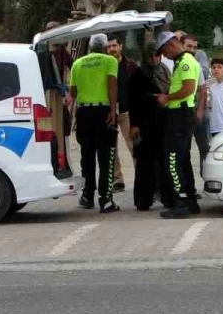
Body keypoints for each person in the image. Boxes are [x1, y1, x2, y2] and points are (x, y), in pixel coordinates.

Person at [68, 33, 120, 213]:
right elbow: (112, 85)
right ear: (106, 47)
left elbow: (72, 92)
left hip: (83, 113)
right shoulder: (109, 61)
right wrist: (113, 111)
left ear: (90, 47)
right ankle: (105, 200)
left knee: (87, 157)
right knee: (106, 157)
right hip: (103, 112)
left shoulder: (77, 63)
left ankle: (87, 196)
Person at [156, 31, 203, 219]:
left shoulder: (184, 62)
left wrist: (167, 97)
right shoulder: (183, 61)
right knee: (182, 160)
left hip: (180, 115)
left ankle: (181, 202)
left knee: (173, 161)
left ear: (170, 46)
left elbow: (189, 88)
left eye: (163, 52)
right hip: (181, 114)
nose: (164, 56)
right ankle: (190, 201)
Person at [129, 42, 170, 210]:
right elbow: (133, 101)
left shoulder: (165, 71)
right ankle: (144, 199)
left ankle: (166, 197)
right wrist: (134, 125)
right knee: (145, 163)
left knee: (164, 160)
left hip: (163, 122)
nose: (154, 59)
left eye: (157, 55)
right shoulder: (138, 74)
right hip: (145, 124)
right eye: (151, 56)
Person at [106, 36, 137, 192]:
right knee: (112, 148)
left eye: (114, 45)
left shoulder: (130, 66)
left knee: (133, 145)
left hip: (126, 111)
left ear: (121, 46)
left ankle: (141, 177)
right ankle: (117, 180)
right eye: (109, 46)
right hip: (109, 112)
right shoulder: (104, 65)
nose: (112, 49)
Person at [181, 34, 211, 172]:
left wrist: (199, 111)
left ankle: (206, 176)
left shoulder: (198, 58)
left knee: (204, 146)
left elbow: (203, 83)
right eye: (189, 46)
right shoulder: (174, 61)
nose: (192, 50)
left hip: (199, 110)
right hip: (182, 111)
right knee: (183, 148)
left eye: (194, 47)